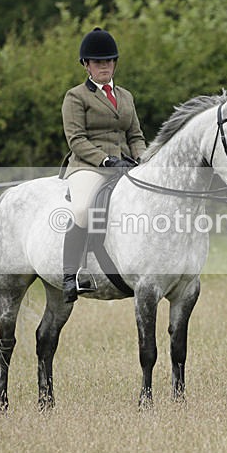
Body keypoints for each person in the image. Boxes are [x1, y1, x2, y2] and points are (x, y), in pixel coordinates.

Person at [60, 27, 146, 303]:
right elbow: (76, 140)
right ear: (86, 65)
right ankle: (71, 274)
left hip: (124, 164)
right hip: (88, 166)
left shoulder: (126, 96)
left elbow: (135, 135)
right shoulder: (76, 97)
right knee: (85, 208)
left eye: (108, 61)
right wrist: (106, 159)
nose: (104, 66)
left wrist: (143, 159)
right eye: (98, 62)